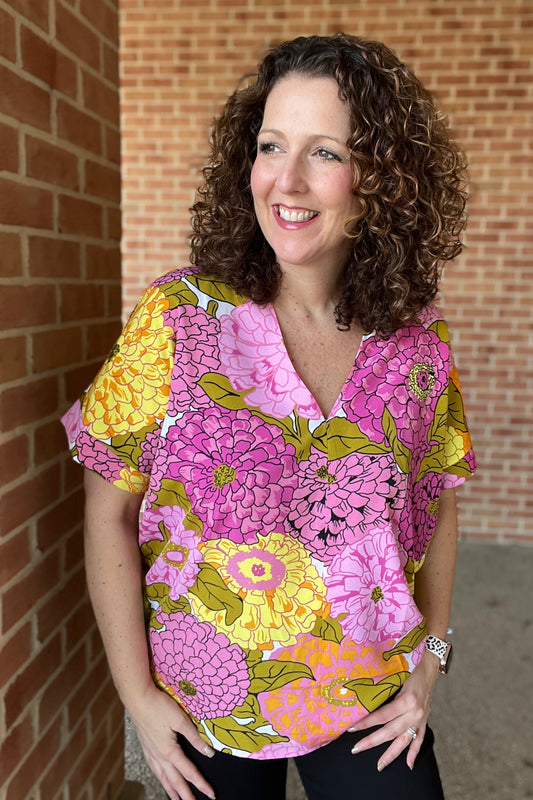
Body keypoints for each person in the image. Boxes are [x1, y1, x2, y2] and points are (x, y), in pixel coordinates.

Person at [62, 33, 476, 800]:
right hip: (206, 705)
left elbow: (437, 500)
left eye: (325, 152)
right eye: (270, 145)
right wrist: (138, 701)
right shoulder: (178, 319)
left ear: (380, 181)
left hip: (370, 696)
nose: (284, 181)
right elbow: (106, 514)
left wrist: (430, 662)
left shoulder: (416, 342)